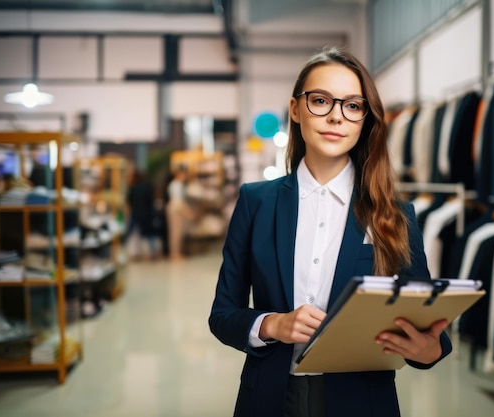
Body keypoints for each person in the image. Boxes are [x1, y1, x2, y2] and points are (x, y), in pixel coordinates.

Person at [208, 46, 452, 417]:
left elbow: (423, 323)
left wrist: (428, 350)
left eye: (352, 106)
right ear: (295, 109)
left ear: (364, 120)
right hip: (270, 398)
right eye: (321, 100)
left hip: (363, 402)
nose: (337, 117)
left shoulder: (394, 214)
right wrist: (273, 323)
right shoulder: (256, 202)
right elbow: (223, 314)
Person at [124, 170, 157, 259]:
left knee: (129, 234)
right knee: (149, 234)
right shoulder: (147, 188)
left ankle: (124, 253)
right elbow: (151, 201)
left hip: (136, 213)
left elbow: (129, 202)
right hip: (147, 214)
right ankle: (153, 252)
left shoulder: (132, 188)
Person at [165, 167, 194, 260]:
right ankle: (174, 254)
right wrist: (187, 211)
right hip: (176, 209)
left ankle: (176, 253)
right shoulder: (177, 185)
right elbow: (178, 201)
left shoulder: (176, 184)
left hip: (176, 208)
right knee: (175, 233)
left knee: (176, 232)